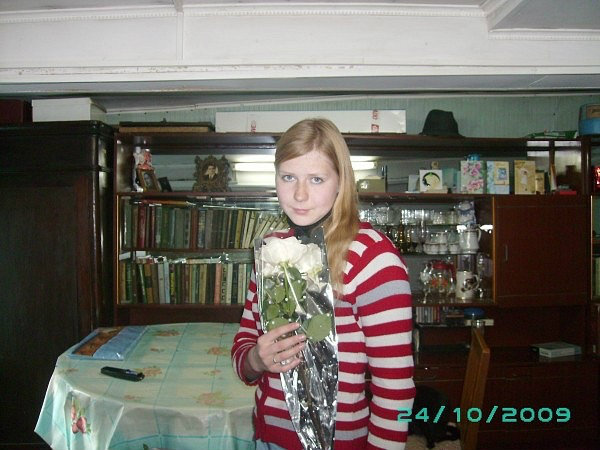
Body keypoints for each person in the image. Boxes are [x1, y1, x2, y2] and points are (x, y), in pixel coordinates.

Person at [231, 118, 415, 450]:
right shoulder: (273, 251)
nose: (299, 194)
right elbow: (244, 344)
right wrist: (257, 359)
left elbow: (396, 388)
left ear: (341, 182)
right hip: (268, 438)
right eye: (288, 177)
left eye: (316, 179)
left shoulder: (373, 258)